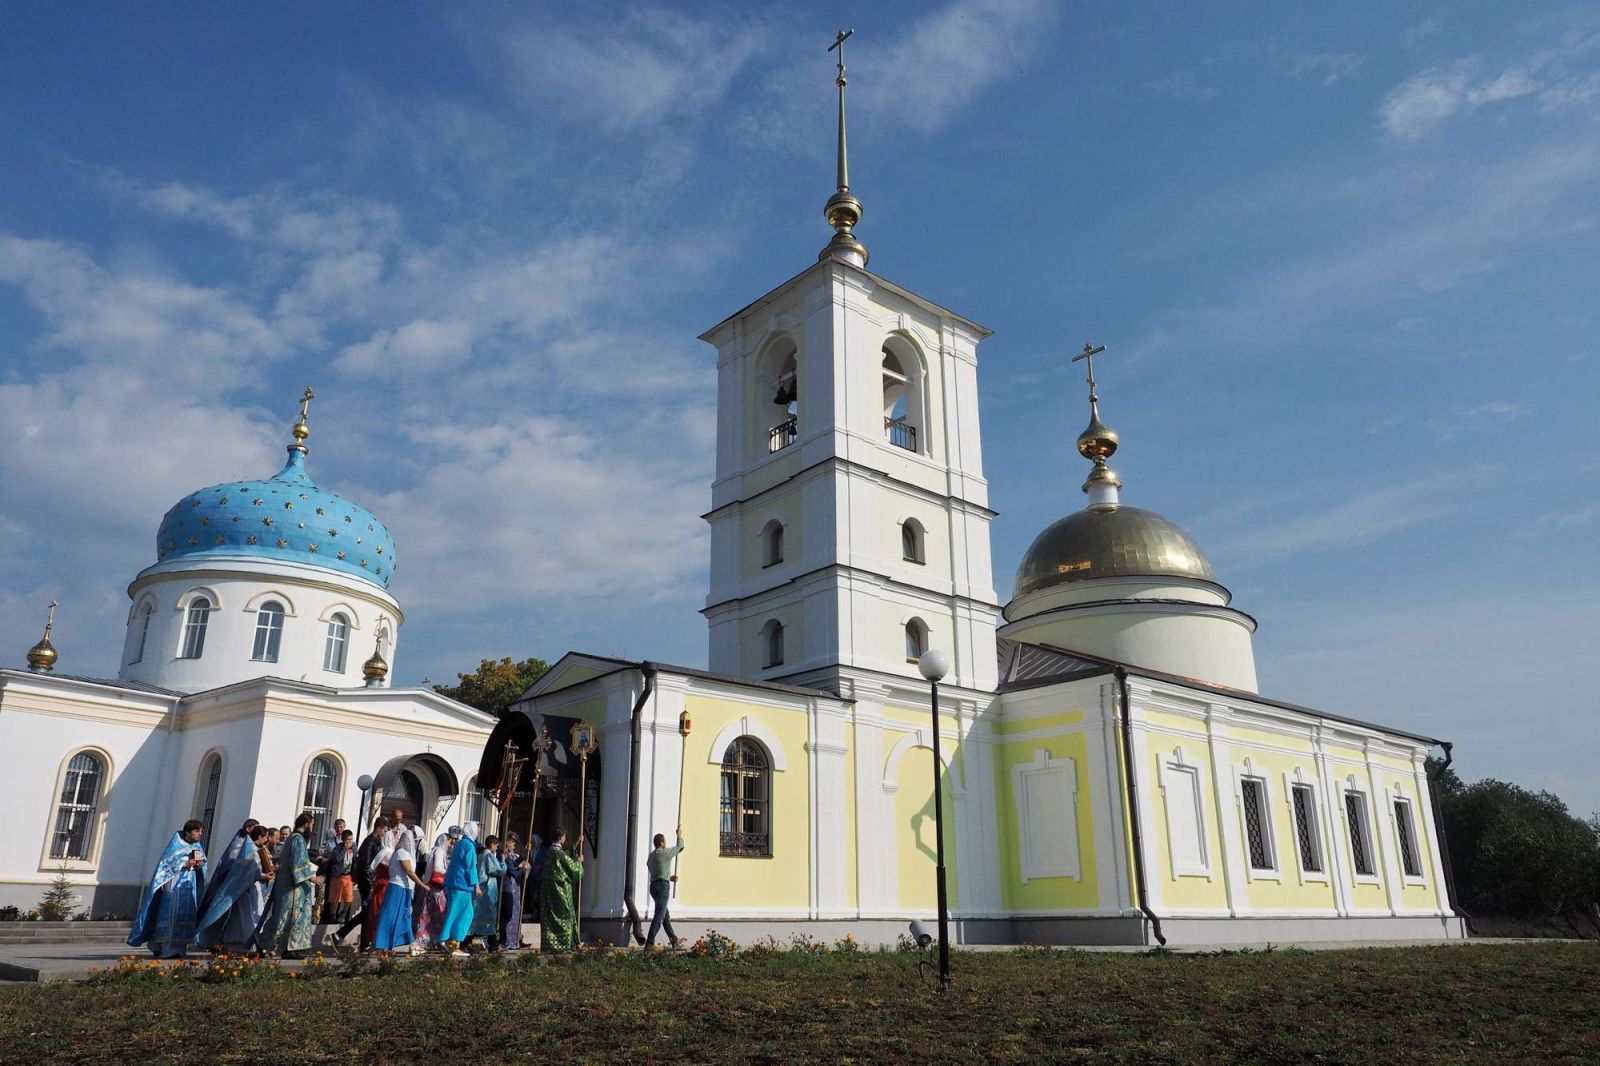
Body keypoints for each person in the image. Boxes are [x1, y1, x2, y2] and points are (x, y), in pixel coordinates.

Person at [127, 819, 209, 959]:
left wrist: (199, 865)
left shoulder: (197, 847)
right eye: (197, 831)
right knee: (171, 916)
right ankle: (165, 948)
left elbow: (204, 865)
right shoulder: (175, 846)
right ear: (188, 832)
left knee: (185, 916)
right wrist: (185, 863)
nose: (200, 834)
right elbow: (165, 866)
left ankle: (179, 949)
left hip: (190, 886)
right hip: (174, 886)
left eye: (201, 831)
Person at [194, 825, 270, 953]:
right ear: (260, 837)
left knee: (245, 918)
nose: (267, 840)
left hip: (247, 889)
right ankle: (237, 944)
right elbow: (246, 872)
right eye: (266, 837)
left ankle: (241, 944)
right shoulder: (249, 850)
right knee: (242, 918)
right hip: (242, 891)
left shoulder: (254, 849)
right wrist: (263, 875)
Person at [261, 812, 323, 958]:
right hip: (293, 888)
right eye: (312, 825)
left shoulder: (293, 839)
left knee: (285, 918)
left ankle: (286, 947)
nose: (312, 828)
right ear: (307, 824)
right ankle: (282, 947)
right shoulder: (297, 840)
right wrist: (313, 878)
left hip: (292, 886)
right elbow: (298, 864)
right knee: (286, 918)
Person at [328, 816, 389, 951]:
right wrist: (371, 884)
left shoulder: (375, 842)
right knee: (367, 912)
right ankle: (357, 941)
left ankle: (354, 939)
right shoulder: (370, 842)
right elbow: (365, 865)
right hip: (366, 883)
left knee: (367, 913)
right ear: (378, 828)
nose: (384, 833)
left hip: (368, 882)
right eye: (384, 830)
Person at [371, 827, 429, 954]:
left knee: (405, 917)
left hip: (405, 888)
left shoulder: (406, 854)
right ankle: (378, 944)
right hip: (398, 888)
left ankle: (412, 944)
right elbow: (409, 871)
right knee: (389, 916)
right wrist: (422, 885)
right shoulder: (401, 853)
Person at [539, 827, 584, 953]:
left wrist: (576, 844)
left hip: (548, 891)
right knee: (565, 915)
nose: (565, 839)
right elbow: (573, 869)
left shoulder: (550, 851)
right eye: (564, 837)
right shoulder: (558, 853)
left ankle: (551, 944)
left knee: (551, 917)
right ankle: (566, 944)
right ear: (561, 837)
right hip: (560, 890)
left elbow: (566, 855)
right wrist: (579, 862)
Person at [440, 822, 481, 955]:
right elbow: (471, 867)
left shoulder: (459, 844)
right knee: (465, 914)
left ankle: (450, 941)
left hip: (455, 883)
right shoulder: (469, 846)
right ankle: (451, 941)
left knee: (454, 912)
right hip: (463, 885)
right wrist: (477, 885)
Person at [645, 825, 686, 950]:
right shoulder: (665, 853)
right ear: (662, 842)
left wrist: (669, 877)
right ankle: (649, 943)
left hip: (654, 886)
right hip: (662, 887)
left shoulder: (651, 857)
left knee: (664, 915)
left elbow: (655, 870)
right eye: (665, 841)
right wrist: (679, 834)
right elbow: (680, 847)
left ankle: (674, 940)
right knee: (660, 915)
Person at [415, 830, 453, 951]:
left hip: (429, 886)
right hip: (435, 888)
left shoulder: (433, 850)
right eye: (449, 841)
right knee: (438, 914)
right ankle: (434, 940)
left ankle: (427, 941)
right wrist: (448, 872)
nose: (450, 844)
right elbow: (437, 868)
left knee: (427, 914)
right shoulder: (440, 851)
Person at [471, 833, 505, 949]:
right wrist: (503, 863)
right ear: (491, 845)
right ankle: (492, 943)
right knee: (488, 916)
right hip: (487, 888)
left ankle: (492, 942)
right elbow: (496, 870)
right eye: (496, 845)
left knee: (481, 916)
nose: (497, 848)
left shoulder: (482, 854)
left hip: (484, 887)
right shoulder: (488, 855)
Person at [499, 834, 529, 950]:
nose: (514, 845)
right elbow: (514, 872)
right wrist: (523, 869)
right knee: (507, 915)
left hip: (514, 889)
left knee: (514, 913)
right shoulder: (504, 856)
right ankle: (505, 940)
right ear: (507, 843)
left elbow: (514, 863)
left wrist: (524, 855)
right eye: (512, 842)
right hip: (508, 888)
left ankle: (515, 939)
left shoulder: (510, 856)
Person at [324, 829, 357, 924]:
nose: (349, 842)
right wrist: (344, 848)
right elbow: (337, 859)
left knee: (349, 898)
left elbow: (355, 858)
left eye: (351, 839)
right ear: (343, 840)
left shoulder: (354, 847)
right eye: (347, 840)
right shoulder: (337, 849)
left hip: (348, 876)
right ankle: (332, 916)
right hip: (338, 876)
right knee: (335, 899)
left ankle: (344, 913)